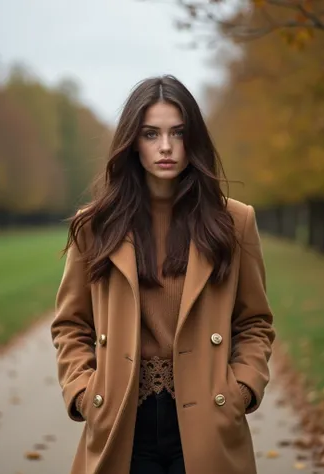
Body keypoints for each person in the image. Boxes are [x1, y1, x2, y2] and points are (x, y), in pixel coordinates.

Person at [51, 75, 275, 474]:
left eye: (178, 133)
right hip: (122, 421)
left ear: (195, 139)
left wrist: (241, 388)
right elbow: (71, 325)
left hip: (209, 417)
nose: (166, 147)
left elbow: (254, 322)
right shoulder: (95, 226)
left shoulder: (234, 222)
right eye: (151, 134)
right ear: (132, 142)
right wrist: (86, 393)